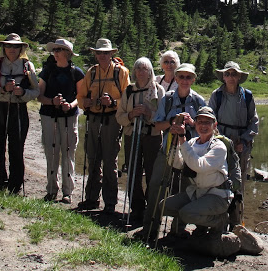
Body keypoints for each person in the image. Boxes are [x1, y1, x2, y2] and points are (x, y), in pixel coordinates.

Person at [142, 63, 206, 239]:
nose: (185, 80)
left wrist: (192, 123)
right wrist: (172, 123)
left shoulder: (199, 101)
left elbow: (207, 130)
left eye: (188, 77)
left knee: (186, 191)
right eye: (181, 77)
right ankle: (150, 228)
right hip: (168, 149)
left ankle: (178, 230)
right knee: (156, 187)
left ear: (193, 79)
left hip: (190, 153)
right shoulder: (168, 99)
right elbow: (157, 125)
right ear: (176, 78)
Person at [161, 106, 232, 240]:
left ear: (214, 125)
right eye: (200, 122)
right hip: (197, 192)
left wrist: (182, 138)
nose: (203, 126)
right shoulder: (192, 142)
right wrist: (176, 141)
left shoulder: (219, 147)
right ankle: (201, 223)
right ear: (195, 124)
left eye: (207, 122)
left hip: (217, 195)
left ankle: (219, 221)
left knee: (186, 214)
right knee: (164, 206)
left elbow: (199, 166)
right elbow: (176, 163)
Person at [76, 38, 129, 213]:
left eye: (105, 53)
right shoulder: (91, 72)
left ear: (111, 54)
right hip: (93, 119)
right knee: (92, 159)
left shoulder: (121, 72)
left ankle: (110, 202)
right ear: (96, 54)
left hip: (112, 120)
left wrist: (113, 102)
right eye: (99, 53)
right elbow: (80, 98)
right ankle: (91, 198)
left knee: (110, 161)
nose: (102, 56)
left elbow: (127, 99)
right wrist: (86, 103)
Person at [0, 33, 39, 194]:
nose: (12, 49)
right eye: (8, 46)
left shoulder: (28, 66)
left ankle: (15, 187)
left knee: (17, 149)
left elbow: (35, 91)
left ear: (21, 48)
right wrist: (2, 90)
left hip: (18, 110)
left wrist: (23, 92)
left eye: (15, 46)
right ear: (3, 47)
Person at [208, 61, 258, 227]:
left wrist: (243, 140)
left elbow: (254, 122)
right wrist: (220, 140)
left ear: (239, 77)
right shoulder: (217, 95)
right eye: (227, 74)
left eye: (234, 74)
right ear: (223, 77)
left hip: (241, 146)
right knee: (218, 180)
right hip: (220, 144)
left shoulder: (247, 96)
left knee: (239, 183)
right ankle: (217, 221)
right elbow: (209, 120)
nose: (230, 77)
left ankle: (236, 222)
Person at [116, 57, 165, 223]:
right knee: (133, 171)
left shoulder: (158, 90)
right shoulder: (129, 91)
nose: (141, 72)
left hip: (153, 136)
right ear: (134, 72)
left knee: (152, 173)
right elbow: (119, 116)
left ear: (150, 72)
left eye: (145, 69)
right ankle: (136, 208)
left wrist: (148, 113)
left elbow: (162, 117)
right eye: (138, 69)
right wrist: (131, 114)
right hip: (132, 135)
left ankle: (151, 208)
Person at [37, 39, 85, 204]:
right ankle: (51, 190)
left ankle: (67, 192)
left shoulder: (77, 73)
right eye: (54, 50)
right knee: (51, 153)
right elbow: (39, 96)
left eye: (59, 50)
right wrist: (53, 102)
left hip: (69, 117)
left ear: (67, 53)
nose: (55, 53)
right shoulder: (47, 71)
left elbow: (80, 96)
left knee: (68, 153)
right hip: (49, 116)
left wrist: (70, 105)